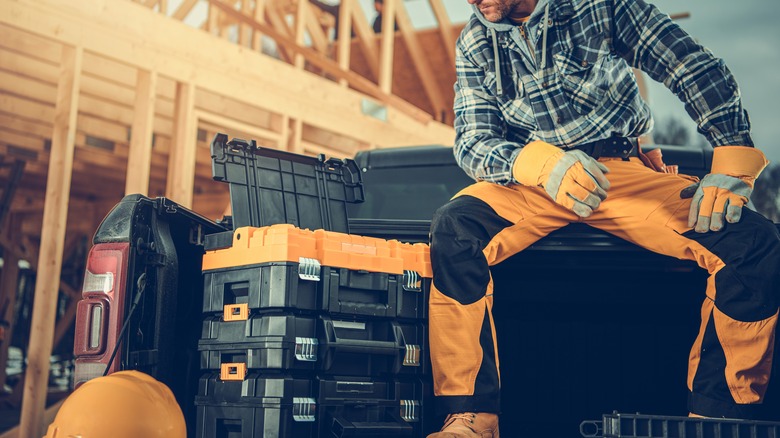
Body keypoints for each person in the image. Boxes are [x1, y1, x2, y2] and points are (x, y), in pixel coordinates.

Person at [427, 0, 780, 436]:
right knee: (455, 227)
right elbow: (474, 140)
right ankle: (472, 418)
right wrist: (540, 166)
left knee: (751, 243)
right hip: (535, 180)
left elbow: (689, 65)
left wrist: (730, 154)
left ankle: (718, 421)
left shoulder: (600, 7)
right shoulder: (475, 38)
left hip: (622, 173)